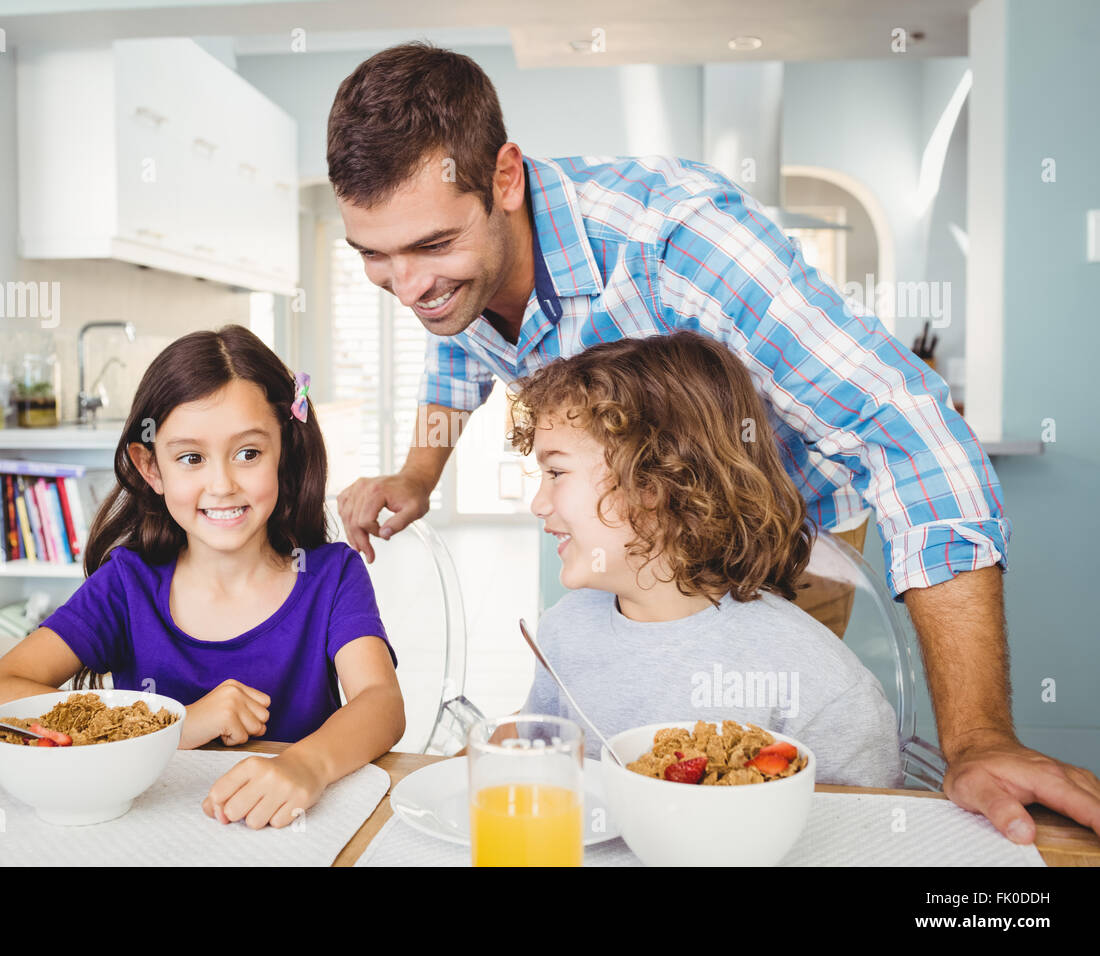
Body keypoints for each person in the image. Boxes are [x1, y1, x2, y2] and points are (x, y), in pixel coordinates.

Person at [328, 43, 1100, 841]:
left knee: (745, 785)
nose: (410, 287)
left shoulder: (678, 243)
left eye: (431, 247)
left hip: (788, 551)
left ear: (506, 180)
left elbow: (912, 436)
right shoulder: (457, 278)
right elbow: (455, 342)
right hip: (636, 562)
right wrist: (420, 472)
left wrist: (977, 738)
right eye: (374, 258)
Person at [0, 325, 405, 829]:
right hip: (142, 833)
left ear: (285, 453)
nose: (222, 484)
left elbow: (382, 703)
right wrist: (174, 724)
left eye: (249, 453)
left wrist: (307, 764)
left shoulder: (331, 576)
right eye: (191, 458)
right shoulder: (127, 585)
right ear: (151, 468)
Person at [509, 331, 901, 785]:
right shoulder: (562, 632)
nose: (539, 503)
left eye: (556, 472)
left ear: (653, 482)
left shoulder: (819, 684)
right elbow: (534, 766)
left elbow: (868, 831)